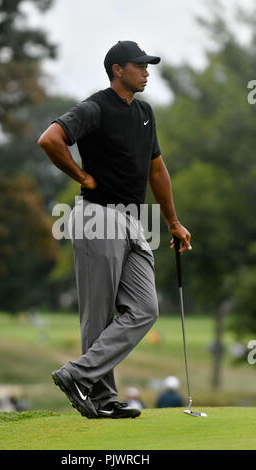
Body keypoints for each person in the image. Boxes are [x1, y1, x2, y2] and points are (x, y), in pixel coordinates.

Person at [38, 40, 192, 419]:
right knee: (99, 313)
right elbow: (50, 139)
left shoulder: (144, 112)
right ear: (117, 70)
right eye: (139, 65)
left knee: (145, 308)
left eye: (147, 66)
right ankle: (103, 398)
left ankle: (77, 374)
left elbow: (157, 170)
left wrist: (173, 221)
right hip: (97, 215)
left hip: (131, 219)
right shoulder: (95, 107)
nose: (146, 71)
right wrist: (82, 176)